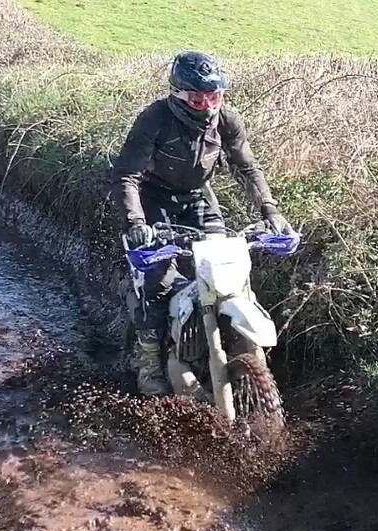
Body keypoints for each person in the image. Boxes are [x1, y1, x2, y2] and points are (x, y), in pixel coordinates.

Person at [109, 50, 295, 395]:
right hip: (154, 200)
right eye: (198, 99)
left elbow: (247, 168)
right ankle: (149, 362)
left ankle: (230, 340)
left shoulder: (227, 120)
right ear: (178, 94)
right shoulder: (154, 118)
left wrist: (270, 210)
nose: (208, 105)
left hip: (197, 198)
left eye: (214, 96)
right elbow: (127, 176)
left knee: (224, 270)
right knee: (159, 277)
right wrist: (135, 222)